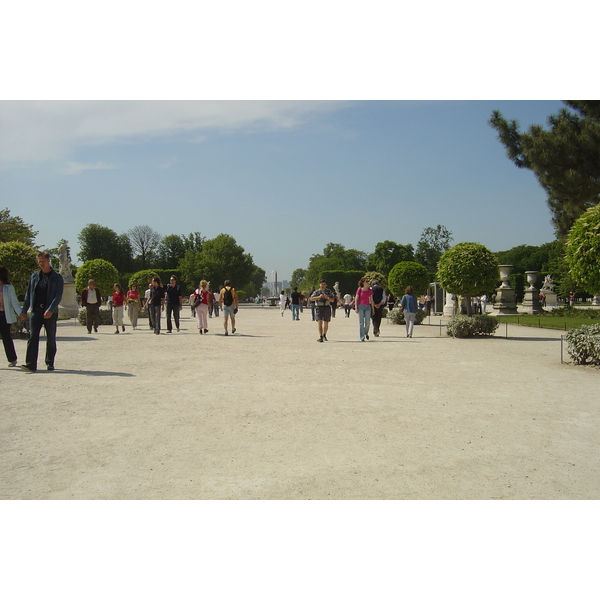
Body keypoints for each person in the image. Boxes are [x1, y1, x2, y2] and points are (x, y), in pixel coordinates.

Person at [19, 252, 64, 372]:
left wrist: (51, 309)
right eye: (39, 261)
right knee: (33, 337)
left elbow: (58, 296)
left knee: (50, 338)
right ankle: (30, 364)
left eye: (43, 261)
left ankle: (50, 362)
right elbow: (29, 295)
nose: (41, 263)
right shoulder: (34, 276)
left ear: (48, 260)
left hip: (50, 311)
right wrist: (24, 311)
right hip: (36, 311)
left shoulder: (57, 277)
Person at [0, 265, 22, 367]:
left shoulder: (8, 288)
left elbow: (14, 302)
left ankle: (12, 359)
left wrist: (20, 313)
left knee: (6, 337)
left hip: (4, 315)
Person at [355, 277, 375, 342]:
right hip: (360, 306)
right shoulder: (359, 289)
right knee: (361, 322)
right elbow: (356, 299)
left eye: (368, 281)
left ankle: (365, 332)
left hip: (367, 307)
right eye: (366, 281)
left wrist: (373, 309)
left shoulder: (370, 290)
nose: (367, 282)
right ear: (363, 282)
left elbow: (371, 300)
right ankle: (362, 337)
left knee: (367, 322)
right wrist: (356, 307)